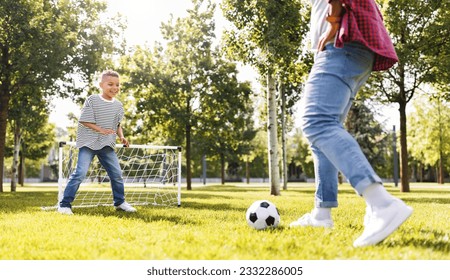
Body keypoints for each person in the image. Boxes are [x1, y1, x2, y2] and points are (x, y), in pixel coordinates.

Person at [289, 0, 412, 247]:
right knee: (323, 137)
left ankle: (382, 203)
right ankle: (321, 214)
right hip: (347, 48)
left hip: (342, 44)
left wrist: (333, 22)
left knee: (317, 122)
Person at [58, 70, 137, 215]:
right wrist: (100, 129)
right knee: (80, 173)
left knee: (117, 174)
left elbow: (117, 124)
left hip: (106, 145)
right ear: (101, 85)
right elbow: (84, 120)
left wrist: (122, 137)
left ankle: (120, 202)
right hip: (88, 143)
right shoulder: (92, 100)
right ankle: (64, 204)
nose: (115, 87)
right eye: (110, 84)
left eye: (117, 85)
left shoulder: (118, 105)